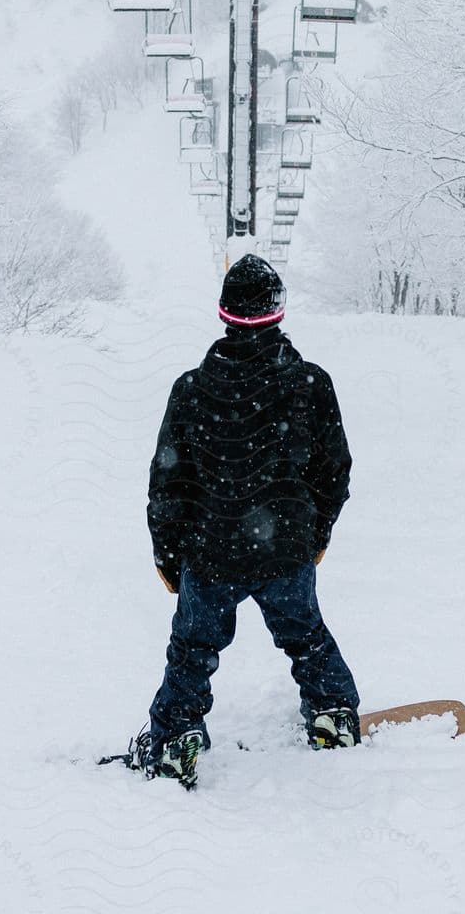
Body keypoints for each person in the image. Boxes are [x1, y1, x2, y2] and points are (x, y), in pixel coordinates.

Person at [138, 254, 360, 789]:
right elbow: (335, 471)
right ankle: (332, 714)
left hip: (209, 554)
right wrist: (315, 536)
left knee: (192, 651)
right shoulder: (310, 383)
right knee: (306, 637)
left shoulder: (190, 389)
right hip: (285, 551)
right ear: (277, 313)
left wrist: (169, 557)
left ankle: (175, 739)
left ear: (225, 314)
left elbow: (167, 482)